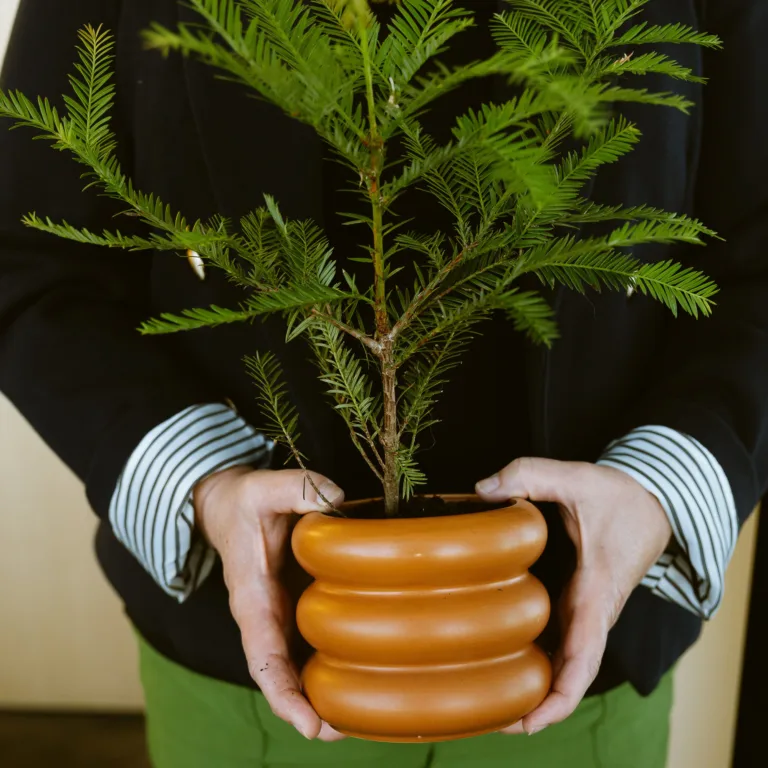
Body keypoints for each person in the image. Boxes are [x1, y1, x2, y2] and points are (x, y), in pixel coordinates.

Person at [1, 1, 765, 766]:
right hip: (247, 667)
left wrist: (666, 484)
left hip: (583, 658)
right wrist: (200, 481)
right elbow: (29, 263)